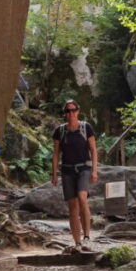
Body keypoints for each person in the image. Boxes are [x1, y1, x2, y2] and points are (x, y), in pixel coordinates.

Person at [50, 99, 98, 251]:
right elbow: (56, 153)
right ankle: (77, 242)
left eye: (73, 110)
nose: (70, 113)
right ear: (64, 113)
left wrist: (94, 170)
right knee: (72, 207)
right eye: (67, 111)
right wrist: (54, 173)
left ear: (78, 111)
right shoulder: (60, 131)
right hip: (67, 171)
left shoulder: (86, 127)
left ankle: (87, 236)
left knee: (82, 198)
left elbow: (93, 150)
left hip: (83, 168)